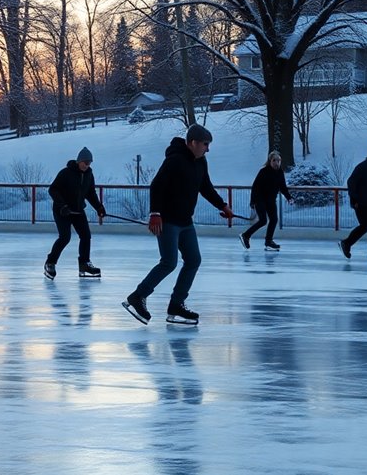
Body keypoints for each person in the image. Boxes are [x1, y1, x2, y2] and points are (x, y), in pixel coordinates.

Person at [122, 123, 235, 325]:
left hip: (185, 221)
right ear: (192, 143)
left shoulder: (201, 162)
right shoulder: (175, 160)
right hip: (167, 221)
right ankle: (137, 296)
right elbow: (156, 185)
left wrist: (222, 205)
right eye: (205, 144)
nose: (207, 149)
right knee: (169, 262)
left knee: (193, 260)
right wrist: (155, 213)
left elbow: (205, 187)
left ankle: (176, 304)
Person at [44, 147, 107, 279]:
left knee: (86, 236)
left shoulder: (89, 174)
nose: (87, 165)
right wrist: (62, 205)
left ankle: (84, 264)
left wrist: (99, 207)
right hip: (63, 211)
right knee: (65, 237)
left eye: (89, 163)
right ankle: (50, 262)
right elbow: (53, 189)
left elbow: (90, 193)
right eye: (85, 162)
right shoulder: (66, 173)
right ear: (79, 161)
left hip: (78, 210)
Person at [239, 151, 294, 250]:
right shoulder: (263, 171)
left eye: (279, 160)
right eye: (274, 160)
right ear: (270, 161)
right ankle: (246, 235)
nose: (276, 163)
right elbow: (255, 187)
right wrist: (252, 201)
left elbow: (283, 187)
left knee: (274, 219)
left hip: (271, 200)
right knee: (263, 220)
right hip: (260, 199)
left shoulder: (280, 172)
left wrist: (289, 197)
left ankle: (268, 241)